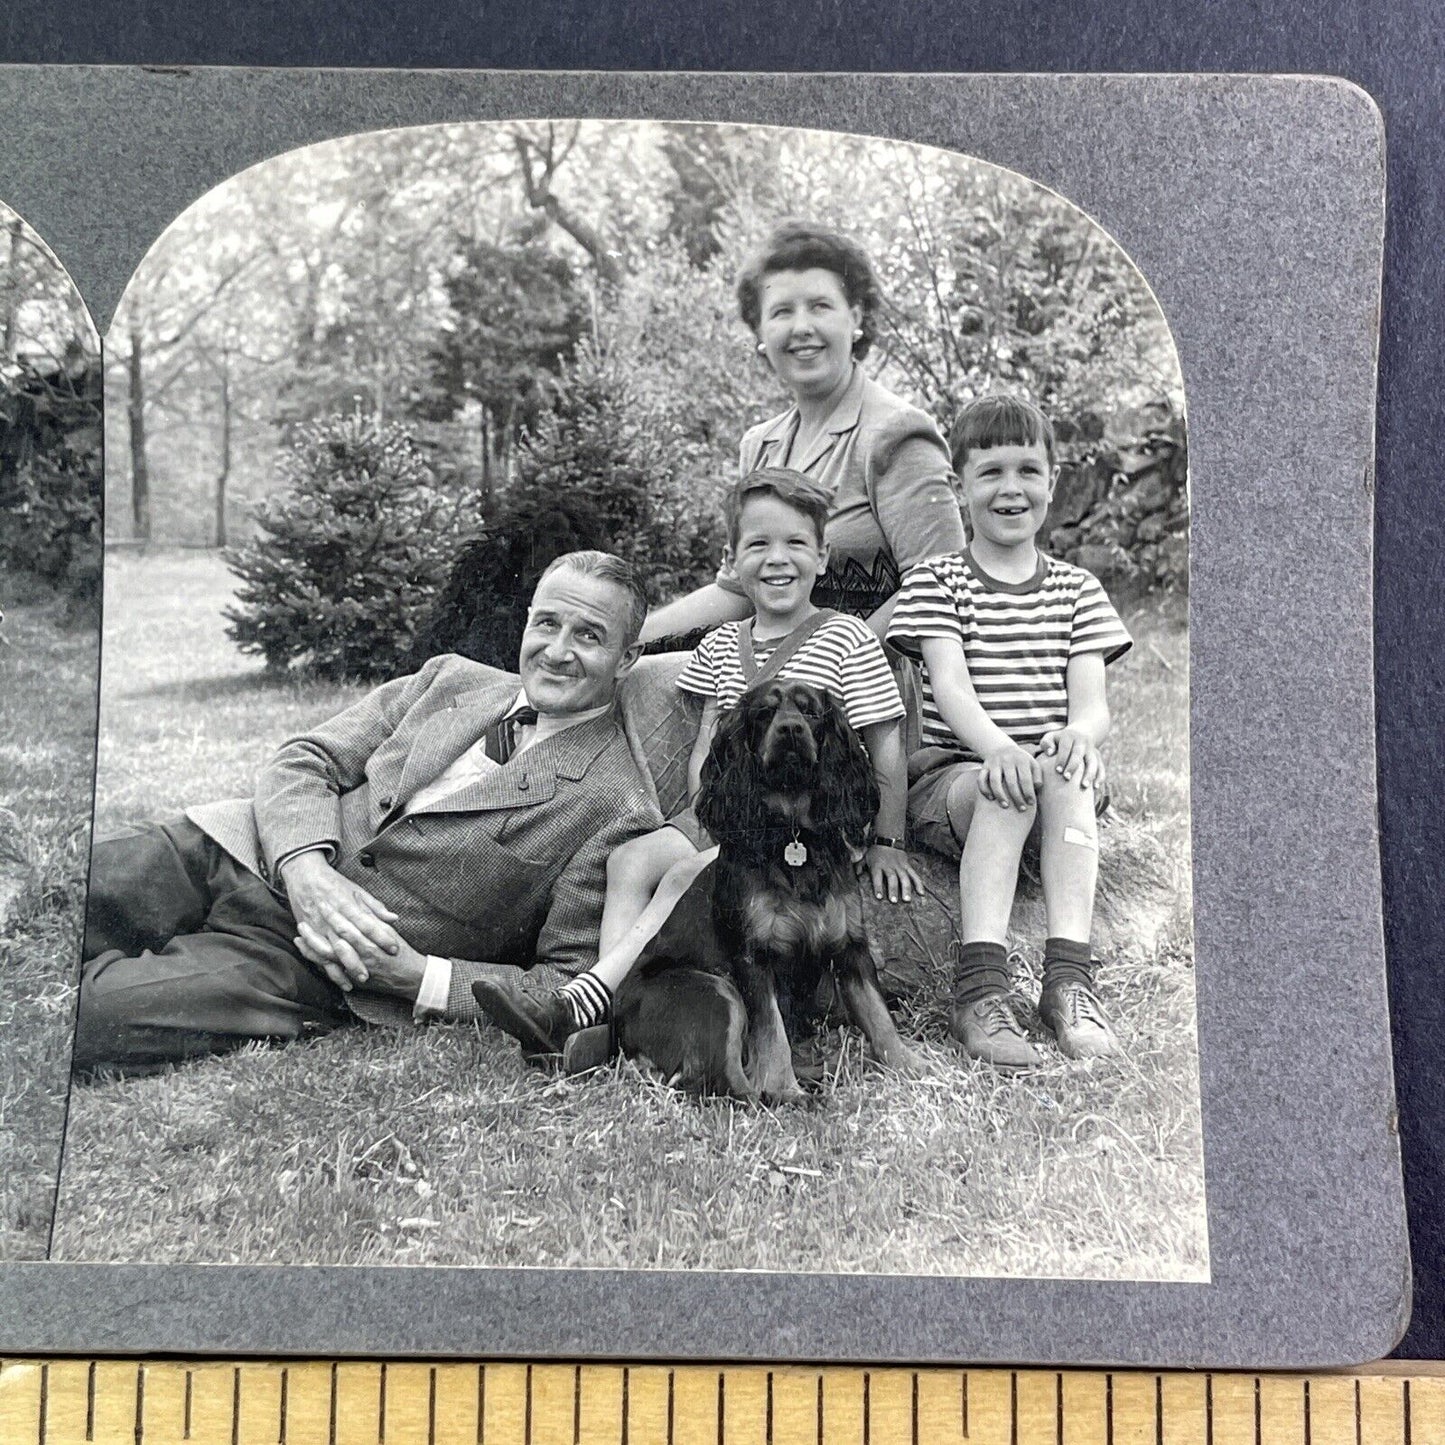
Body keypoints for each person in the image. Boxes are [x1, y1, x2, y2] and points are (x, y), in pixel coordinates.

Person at [73, 551, 665, 1075]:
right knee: (69, 894)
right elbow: (306, 758)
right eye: (547, 624)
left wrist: (417, 977)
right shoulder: (449, 678)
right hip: (241, 849)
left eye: (588, 635)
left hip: (317, 959)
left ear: (626, 658)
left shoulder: (617, 806)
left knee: (89, 1019)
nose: (556, 652)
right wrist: (305, 869)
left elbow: (564, 985)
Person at [472, 468, 924, 1057]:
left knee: (686, 875)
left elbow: (885, 743)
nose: (777, 559)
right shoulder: (718, 645)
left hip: (810, 825)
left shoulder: (849, 639)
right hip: (729, 818)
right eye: (758, 545)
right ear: (731, 560)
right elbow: (710, 743)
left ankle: (588, 1004)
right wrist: (711, 825)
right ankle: (610, 1012)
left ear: (823, 556)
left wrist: (887, 838)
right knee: (632, 857)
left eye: (795, 544)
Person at [886, 395, 1134, 1069]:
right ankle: (980, 989)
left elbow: (1092, 704)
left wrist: (1078, 735)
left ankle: (1067, 982)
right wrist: (997, 748)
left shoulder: (1077, 590)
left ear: (1051, 481)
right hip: (959, 775)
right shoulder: (938, 582)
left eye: (1027, 470)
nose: (1009, 488)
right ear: (958, 486)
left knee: (1066, 770)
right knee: (1006, 785)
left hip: (1047, 776)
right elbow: (949, 687)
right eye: (989, 471)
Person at [639, 219, 966, 645]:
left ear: (856, 318)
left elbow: (939, 585)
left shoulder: (896, 434)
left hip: (880, 687)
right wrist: (627, 639)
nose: (801, 327)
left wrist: (831, 665)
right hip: (781, 686)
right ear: (760, 333)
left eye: (819, 306)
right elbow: (735, 592)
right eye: (781, 312)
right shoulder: (759, 446)